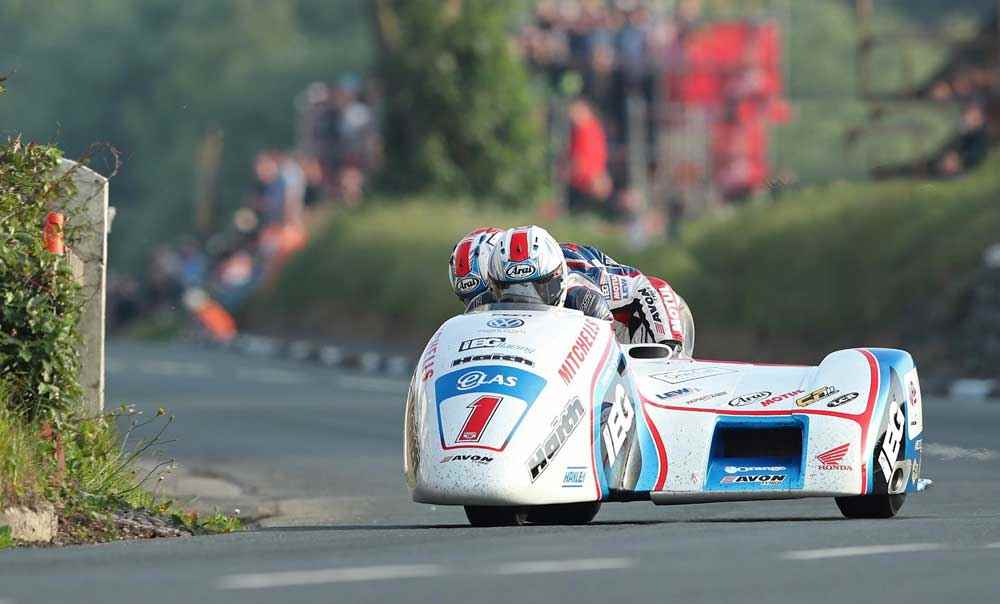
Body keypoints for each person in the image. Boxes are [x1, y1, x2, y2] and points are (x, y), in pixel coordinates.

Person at [447, 226, 694, 356]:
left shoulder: (572, 273)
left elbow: (652, 287)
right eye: (474, 301)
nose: (489, 303)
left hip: (632, 328)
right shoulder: (508, 276)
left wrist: (668, 352)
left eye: (487, 295)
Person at [486, 226, 612, 322]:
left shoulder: (585, 302)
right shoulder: (483, 304)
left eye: (537, 288)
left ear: (559, 278)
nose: (524, 306)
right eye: (509, 291)